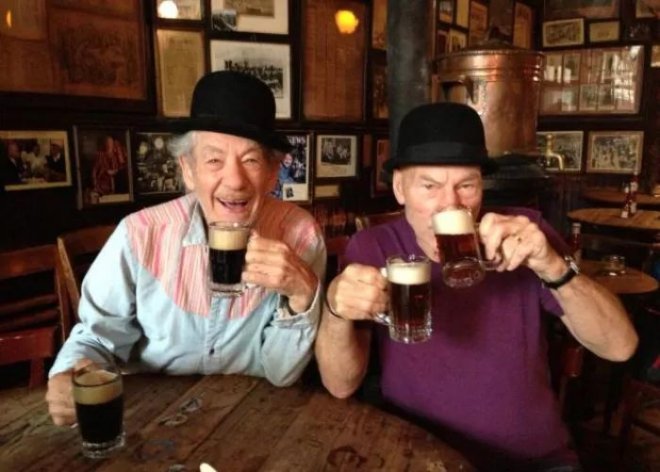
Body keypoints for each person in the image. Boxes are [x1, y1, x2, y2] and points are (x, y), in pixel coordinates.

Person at [314, 102, 638, 471]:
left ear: (482, 186)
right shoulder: (373, 247)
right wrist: (335, 310)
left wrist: (553, 266)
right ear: (400, 188)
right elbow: (340, 385)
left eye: (466, 185)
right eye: (430, 186)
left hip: (533, 461)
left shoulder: (524, 234)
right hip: (419, 458)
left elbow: (621, 347)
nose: (450, 205)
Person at [46, 71, 325, 426]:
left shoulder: (300, 236)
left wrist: (302, 296)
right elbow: (97, 340)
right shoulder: (139, 234)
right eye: (213, 160)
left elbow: (280, 373)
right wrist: (70, 374)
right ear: (188, 170)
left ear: (272, 174)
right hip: (150, 421)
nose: (235, 180)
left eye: (251, 160)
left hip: (253, 419)